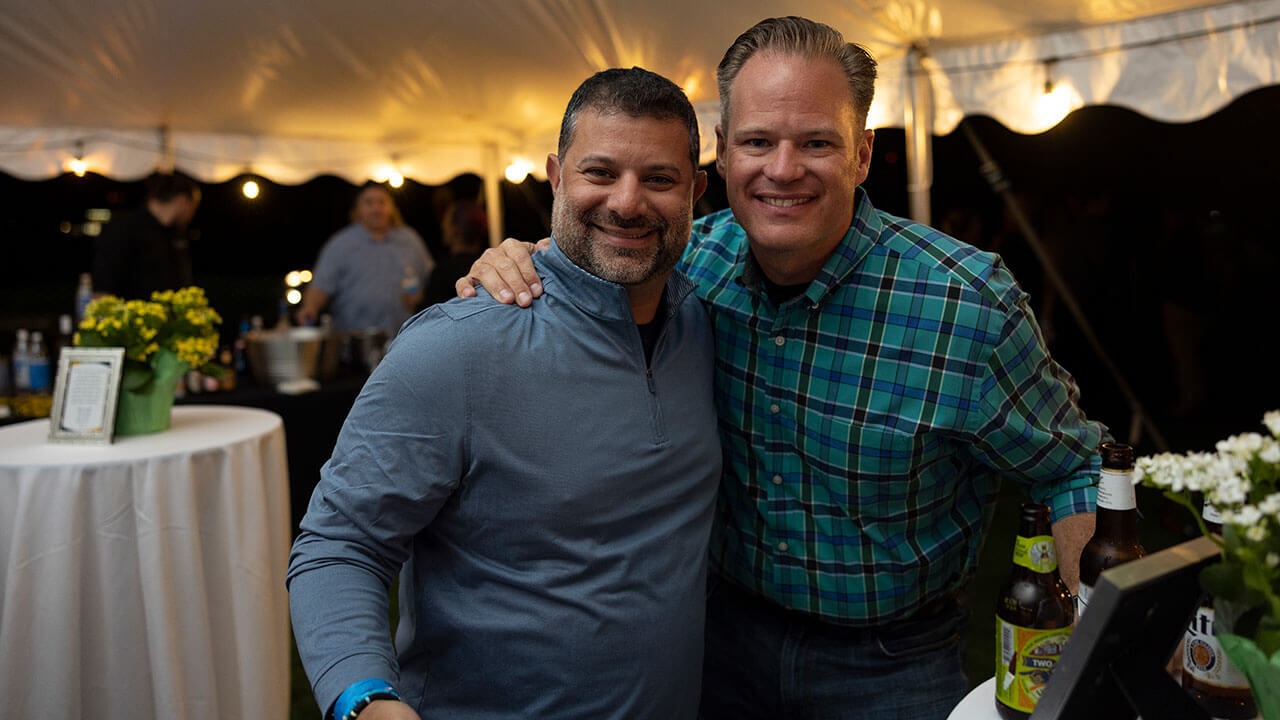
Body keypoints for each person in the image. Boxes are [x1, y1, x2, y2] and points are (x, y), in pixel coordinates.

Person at [457, 16, 1106, 719]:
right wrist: (513, 255)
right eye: (759, 142)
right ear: (723, 156)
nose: (783, 168)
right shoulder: (685, 266)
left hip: (893, 665)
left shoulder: (966, 305)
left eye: (817, 143)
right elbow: (593, 240)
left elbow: (1071, 464)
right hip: (716, 638)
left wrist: (1101, 641)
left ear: (861, 155)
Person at [287, 67, 720, 720]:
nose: (628, 203)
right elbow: (341, 544)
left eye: (659, 178)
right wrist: (364, 699)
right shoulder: (455, 348)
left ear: (697, 190)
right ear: (555, 177)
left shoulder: (707, 322)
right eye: (599, 173)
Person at [297, 183, 435, 336]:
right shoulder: (341, 244)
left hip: (405, 338)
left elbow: (432, 280)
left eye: (382, 202)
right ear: (357, 210)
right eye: (369, 203)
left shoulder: (410, 240)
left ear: (391, 208)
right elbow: (321, 285)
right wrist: (310, 308)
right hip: (354, 340)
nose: (376, 208)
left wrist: (421, 296)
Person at [92, 171, 201, 299]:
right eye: (193, 207)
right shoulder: (123, 227)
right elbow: (102, 288)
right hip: (131, 317)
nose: (192, 214)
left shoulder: (173, 235)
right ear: (182, 201)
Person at [422, 197, 489, 308]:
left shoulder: (442, 272)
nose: (442, 225)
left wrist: (414, 303)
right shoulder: (488, 266)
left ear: (454, 230)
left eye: (446, 221)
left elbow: (431, 314)